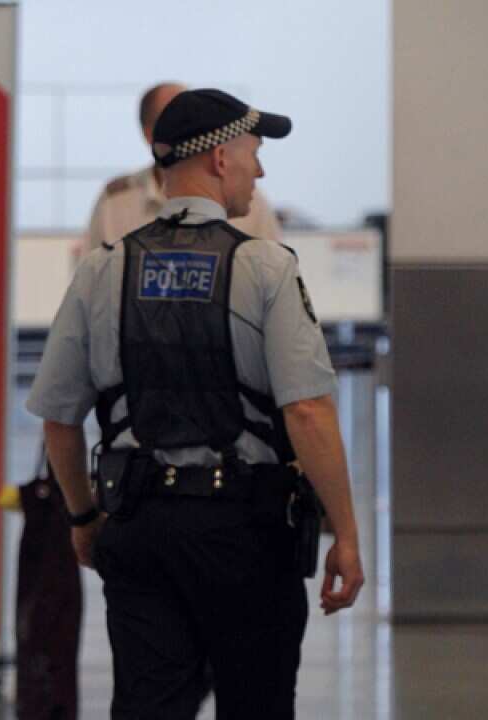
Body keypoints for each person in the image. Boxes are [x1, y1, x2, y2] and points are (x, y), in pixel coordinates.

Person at [28, 87, 364, 720]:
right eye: (254, 152)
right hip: (245, 534)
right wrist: (345, 533)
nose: (259, 171)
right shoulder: (265, 267)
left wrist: (82, 519)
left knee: (148, 705)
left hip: (139, 529)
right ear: (218, 160)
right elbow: (308, 412)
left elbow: (59, 418)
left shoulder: (104, 269)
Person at [86, 82, 283, 251]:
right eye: (172, 121)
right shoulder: (115, 200)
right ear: (150, 135)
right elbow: (92, 285)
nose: (259, 172)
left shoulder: (250, 202)